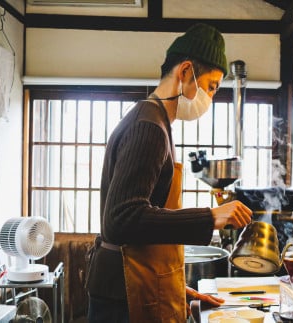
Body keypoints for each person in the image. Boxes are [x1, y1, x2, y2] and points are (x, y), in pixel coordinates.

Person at [85, 23, 253, 323]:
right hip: (123, 296)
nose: (211, 98)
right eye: (211, 86)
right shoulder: (148, 126)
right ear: (186, 72)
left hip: (133, 283)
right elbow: (123, 218)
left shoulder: (154, 120)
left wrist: (177, 288)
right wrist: (211, 217)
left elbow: (144, 223)